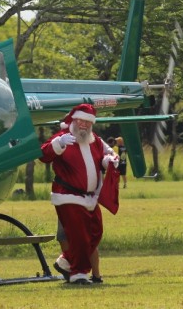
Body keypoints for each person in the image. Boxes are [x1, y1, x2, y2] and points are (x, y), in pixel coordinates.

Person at [40, 103, 119, 285]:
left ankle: (66, 261)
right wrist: (58, 144)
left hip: (90, 197)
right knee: (80, 237)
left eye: (87, 122)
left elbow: (107, 156)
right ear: (74, 120)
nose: (83, 125)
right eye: (80, 121)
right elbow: (43, 155)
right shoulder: (63, 136)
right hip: (67, 195)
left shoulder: (95, 140)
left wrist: (108, 161)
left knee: (95, 233)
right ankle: (79, 273)